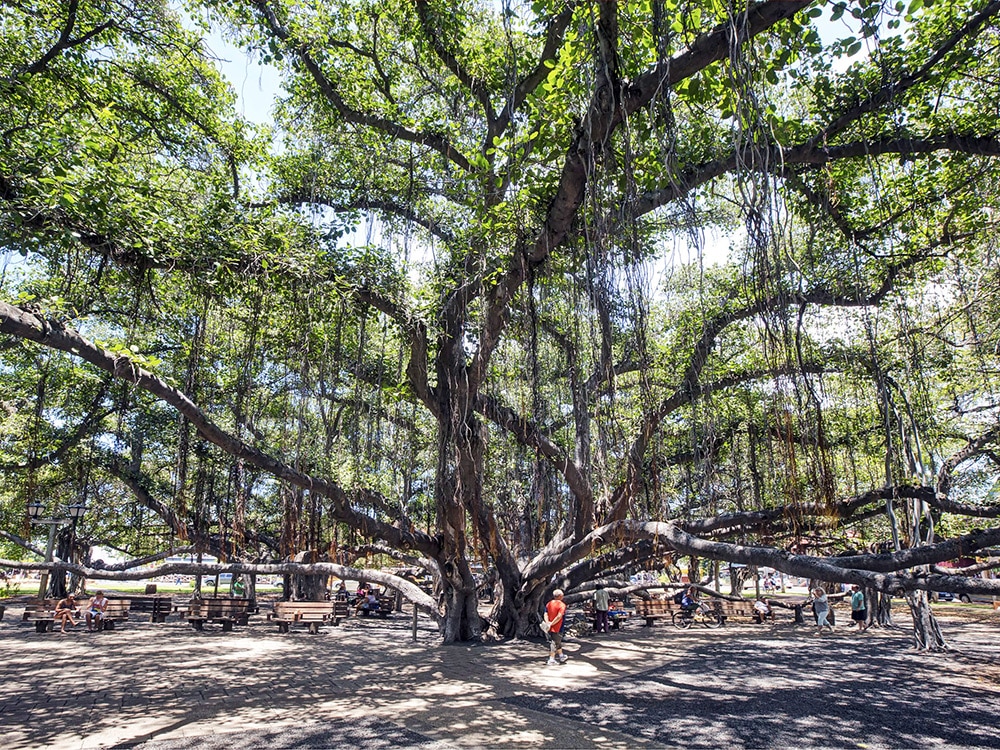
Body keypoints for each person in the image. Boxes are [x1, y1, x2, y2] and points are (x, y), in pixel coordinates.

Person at [544, 589, 568, 665]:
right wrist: (552, 623)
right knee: (554, 642)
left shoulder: (549, 603)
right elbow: (559, 616)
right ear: (560, 596)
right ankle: (551, 659)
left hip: (550, 626)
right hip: (558, 626)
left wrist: (548, 622)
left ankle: (561, 656)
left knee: (557, 641)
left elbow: (545, 614)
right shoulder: (562, 605)